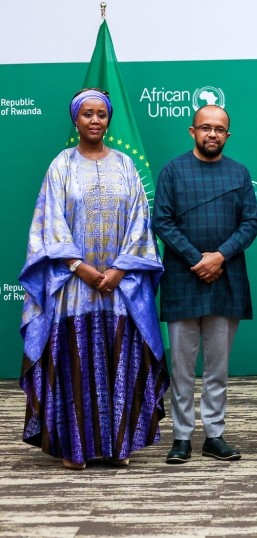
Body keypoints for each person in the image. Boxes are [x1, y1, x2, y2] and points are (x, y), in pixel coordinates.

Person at [19, 89, 168, 469]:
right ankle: (75, 449)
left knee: (120, 362)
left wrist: (119, 269)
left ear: (108, 119)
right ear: (76, 119)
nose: (95, 120)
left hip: (120, 287)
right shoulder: (61, 165)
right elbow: (49, 222)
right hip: (72, 288)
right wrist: (78, 266)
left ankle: (118, 446)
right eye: (88, 114)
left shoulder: (125, 165)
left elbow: (140, 222)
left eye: (101, 114)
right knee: (76, 364)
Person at [153, 105, 257, 464]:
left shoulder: (239, 172)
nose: (212, 134)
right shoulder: (173, 170)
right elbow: (162, 221)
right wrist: (197, 260)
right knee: (182, 367)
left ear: (227, 135)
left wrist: (220, 257)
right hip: (183, 277)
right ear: (192, 131)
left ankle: (214, 435)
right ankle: (181, 437)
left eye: (219, 129)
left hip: (225, 279)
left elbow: (250, 223)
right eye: (205, 127)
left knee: (217, 366)